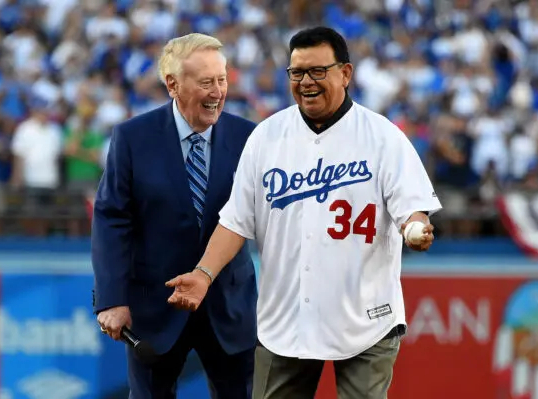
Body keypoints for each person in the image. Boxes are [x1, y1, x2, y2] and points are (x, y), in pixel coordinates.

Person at [165, 26, 443, 399]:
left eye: (317, 71)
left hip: (365, 317)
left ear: (345, 74)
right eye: (297, 73)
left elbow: (413, 210)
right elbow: (236, 220)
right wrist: (203, 274)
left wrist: (417, 227)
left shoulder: (383, 137)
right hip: (287, 318)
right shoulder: (267, 136)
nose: (306, 82)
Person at [92, 33, 258, 399]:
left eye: (222, 79)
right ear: (172, 84)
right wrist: (111, 298)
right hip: (155, 308)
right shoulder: (132, 138)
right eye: (205, 82)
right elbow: (111, 220)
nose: (217, 92)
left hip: (229, 307)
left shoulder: (252, 138)